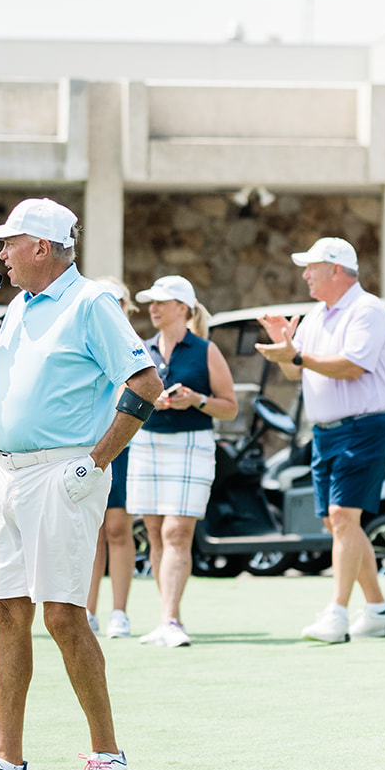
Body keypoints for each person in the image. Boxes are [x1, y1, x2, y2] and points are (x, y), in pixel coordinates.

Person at [0, 198, 161, 770]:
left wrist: (96, 462)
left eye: (10, 242)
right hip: (7, 473)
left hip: (63, 474)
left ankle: (109, 760)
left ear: (42, 247)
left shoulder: (91, 303)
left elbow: (146, 384)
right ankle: (7, 768)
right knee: (5, 612)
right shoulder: (17, 308)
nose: (1, 253)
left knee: (63, 615)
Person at [255, 237, 385, 644]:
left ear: (336, 270)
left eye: (311, 267)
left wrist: (295, 356)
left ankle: (337, 613)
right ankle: (379, 610)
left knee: (342, 518)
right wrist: (286, 349)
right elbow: (295, 371)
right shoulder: (315, 315)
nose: (305, 274)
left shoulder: (367, 309)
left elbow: (352, 366)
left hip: (365, 426)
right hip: (325, 433)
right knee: (337, 522)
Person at [126, 275, 237, 648]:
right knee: (155, 532)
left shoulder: (206, 350)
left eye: (161, 302)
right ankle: (167, 618)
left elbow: (230, 408)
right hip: (147, 443)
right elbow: (124, 397)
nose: (153, 308)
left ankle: (170, 620)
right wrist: (149, 401)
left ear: (183, 308)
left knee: (176, 531)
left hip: (192, 446)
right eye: (151, 302)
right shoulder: (142, 350)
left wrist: (197, 400)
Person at [85, 278, 140, 639]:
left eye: (117, 301)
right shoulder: (85, 338)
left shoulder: (132, 346)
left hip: (123, 445)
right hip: (88, 445)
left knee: (118, 527)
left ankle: (119, 612)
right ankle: (87, 611)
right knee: (91, 531)